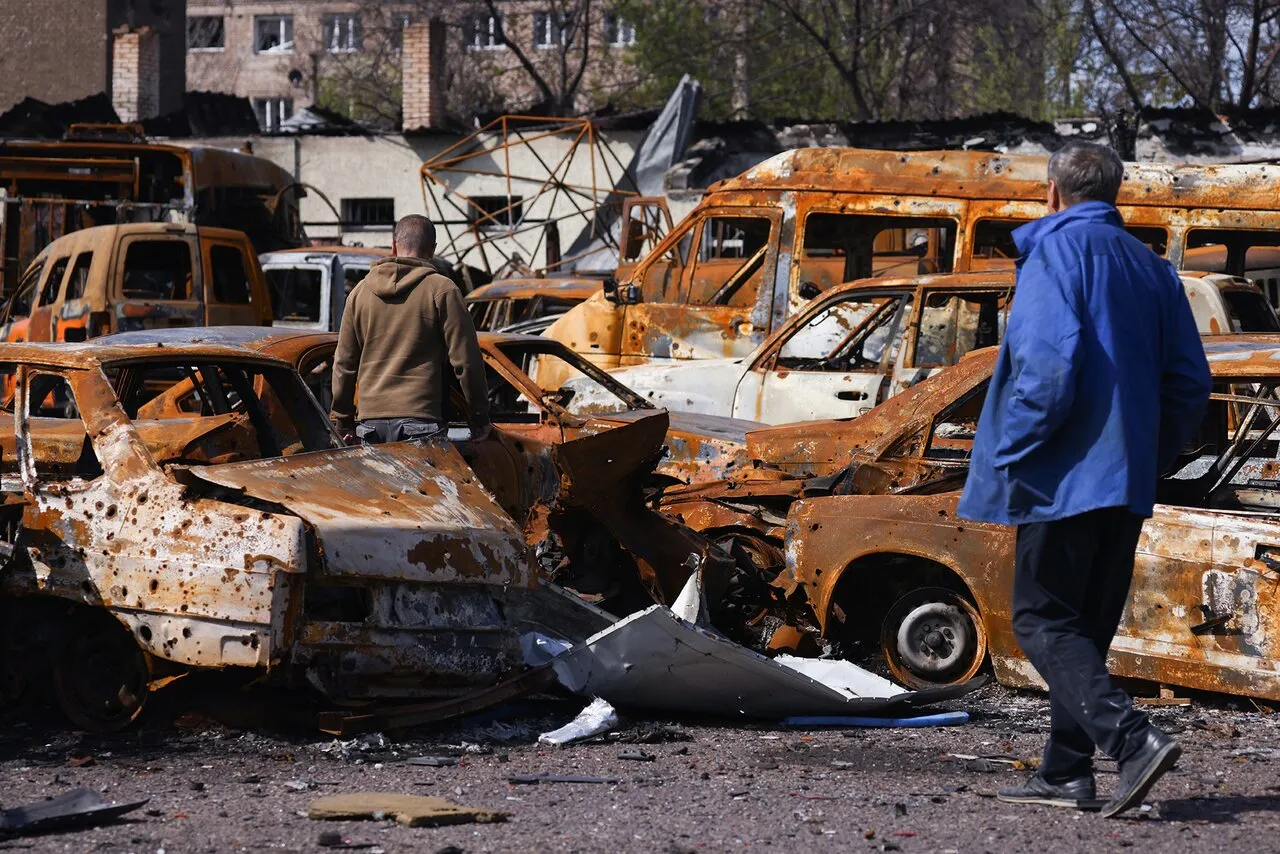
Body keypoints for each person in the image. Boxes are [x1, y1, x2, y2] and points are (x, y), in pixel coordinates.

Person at [957, 141, 1211, 818]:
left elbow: (1045, 373)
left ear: (1051, 194)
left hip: (1061, 478)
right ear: (1115, 194)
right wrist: (1148, 456)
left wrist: (1010, 451)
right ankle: (1067, 773)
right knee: (1084, 629)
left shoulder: (1054, 255)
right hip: (1125, 480)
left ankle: (1131, 742)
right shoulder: (1152, 270)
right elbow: (1191, 383)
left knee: (1041, 621)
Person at [331, 214, 491, 444]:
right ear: (433, 249)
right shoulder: (442, 290)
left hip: (370, 424)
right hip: (422, 421)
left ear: (394, 244)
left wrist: (343, 419)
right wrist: (479, 416)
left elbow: (344, 363)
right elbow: (466, 361)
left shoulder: (359, 293)